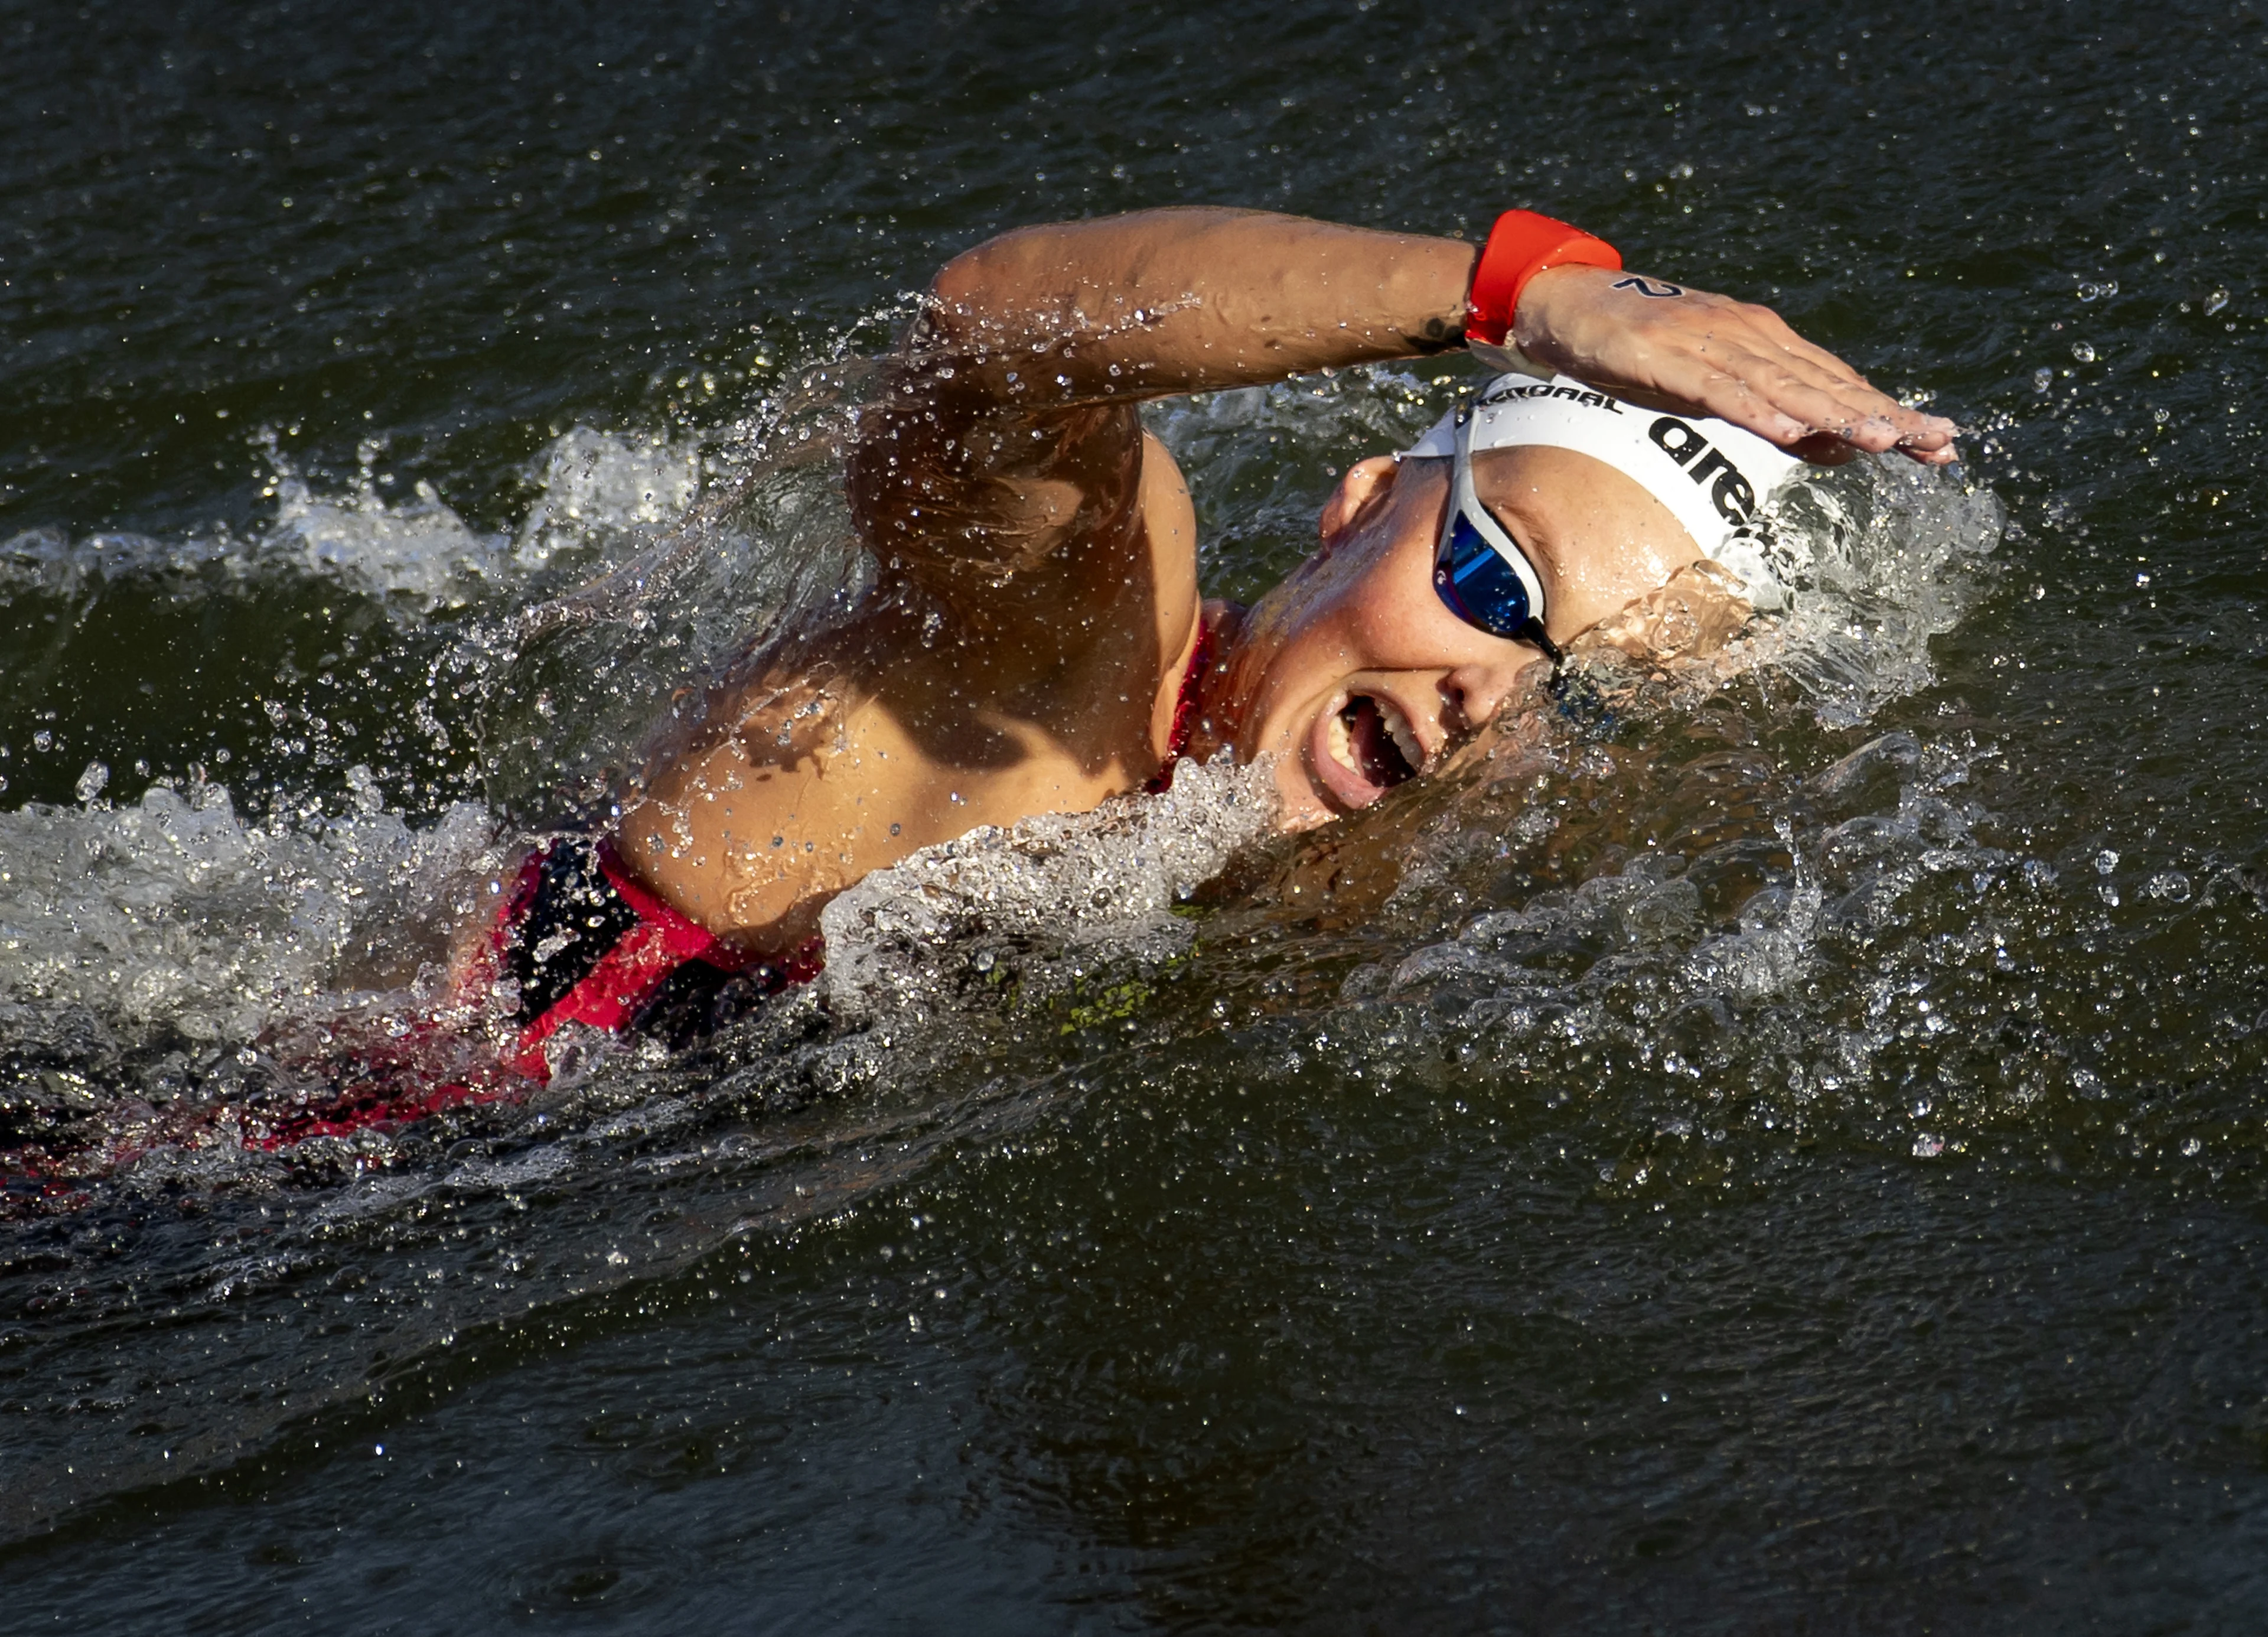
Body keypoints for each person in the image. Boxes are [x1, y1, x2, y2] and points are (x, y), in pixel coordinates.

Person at [471, 207, 1958, 1075]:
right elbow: (985, 334)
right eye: (1499, 586)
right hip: (329, 1153)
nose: (1490, 691)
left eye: (1588, 685)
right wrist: (1519, 288)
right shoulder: (1084, 644)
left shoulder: (1318, 898)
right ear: (1361, 504)